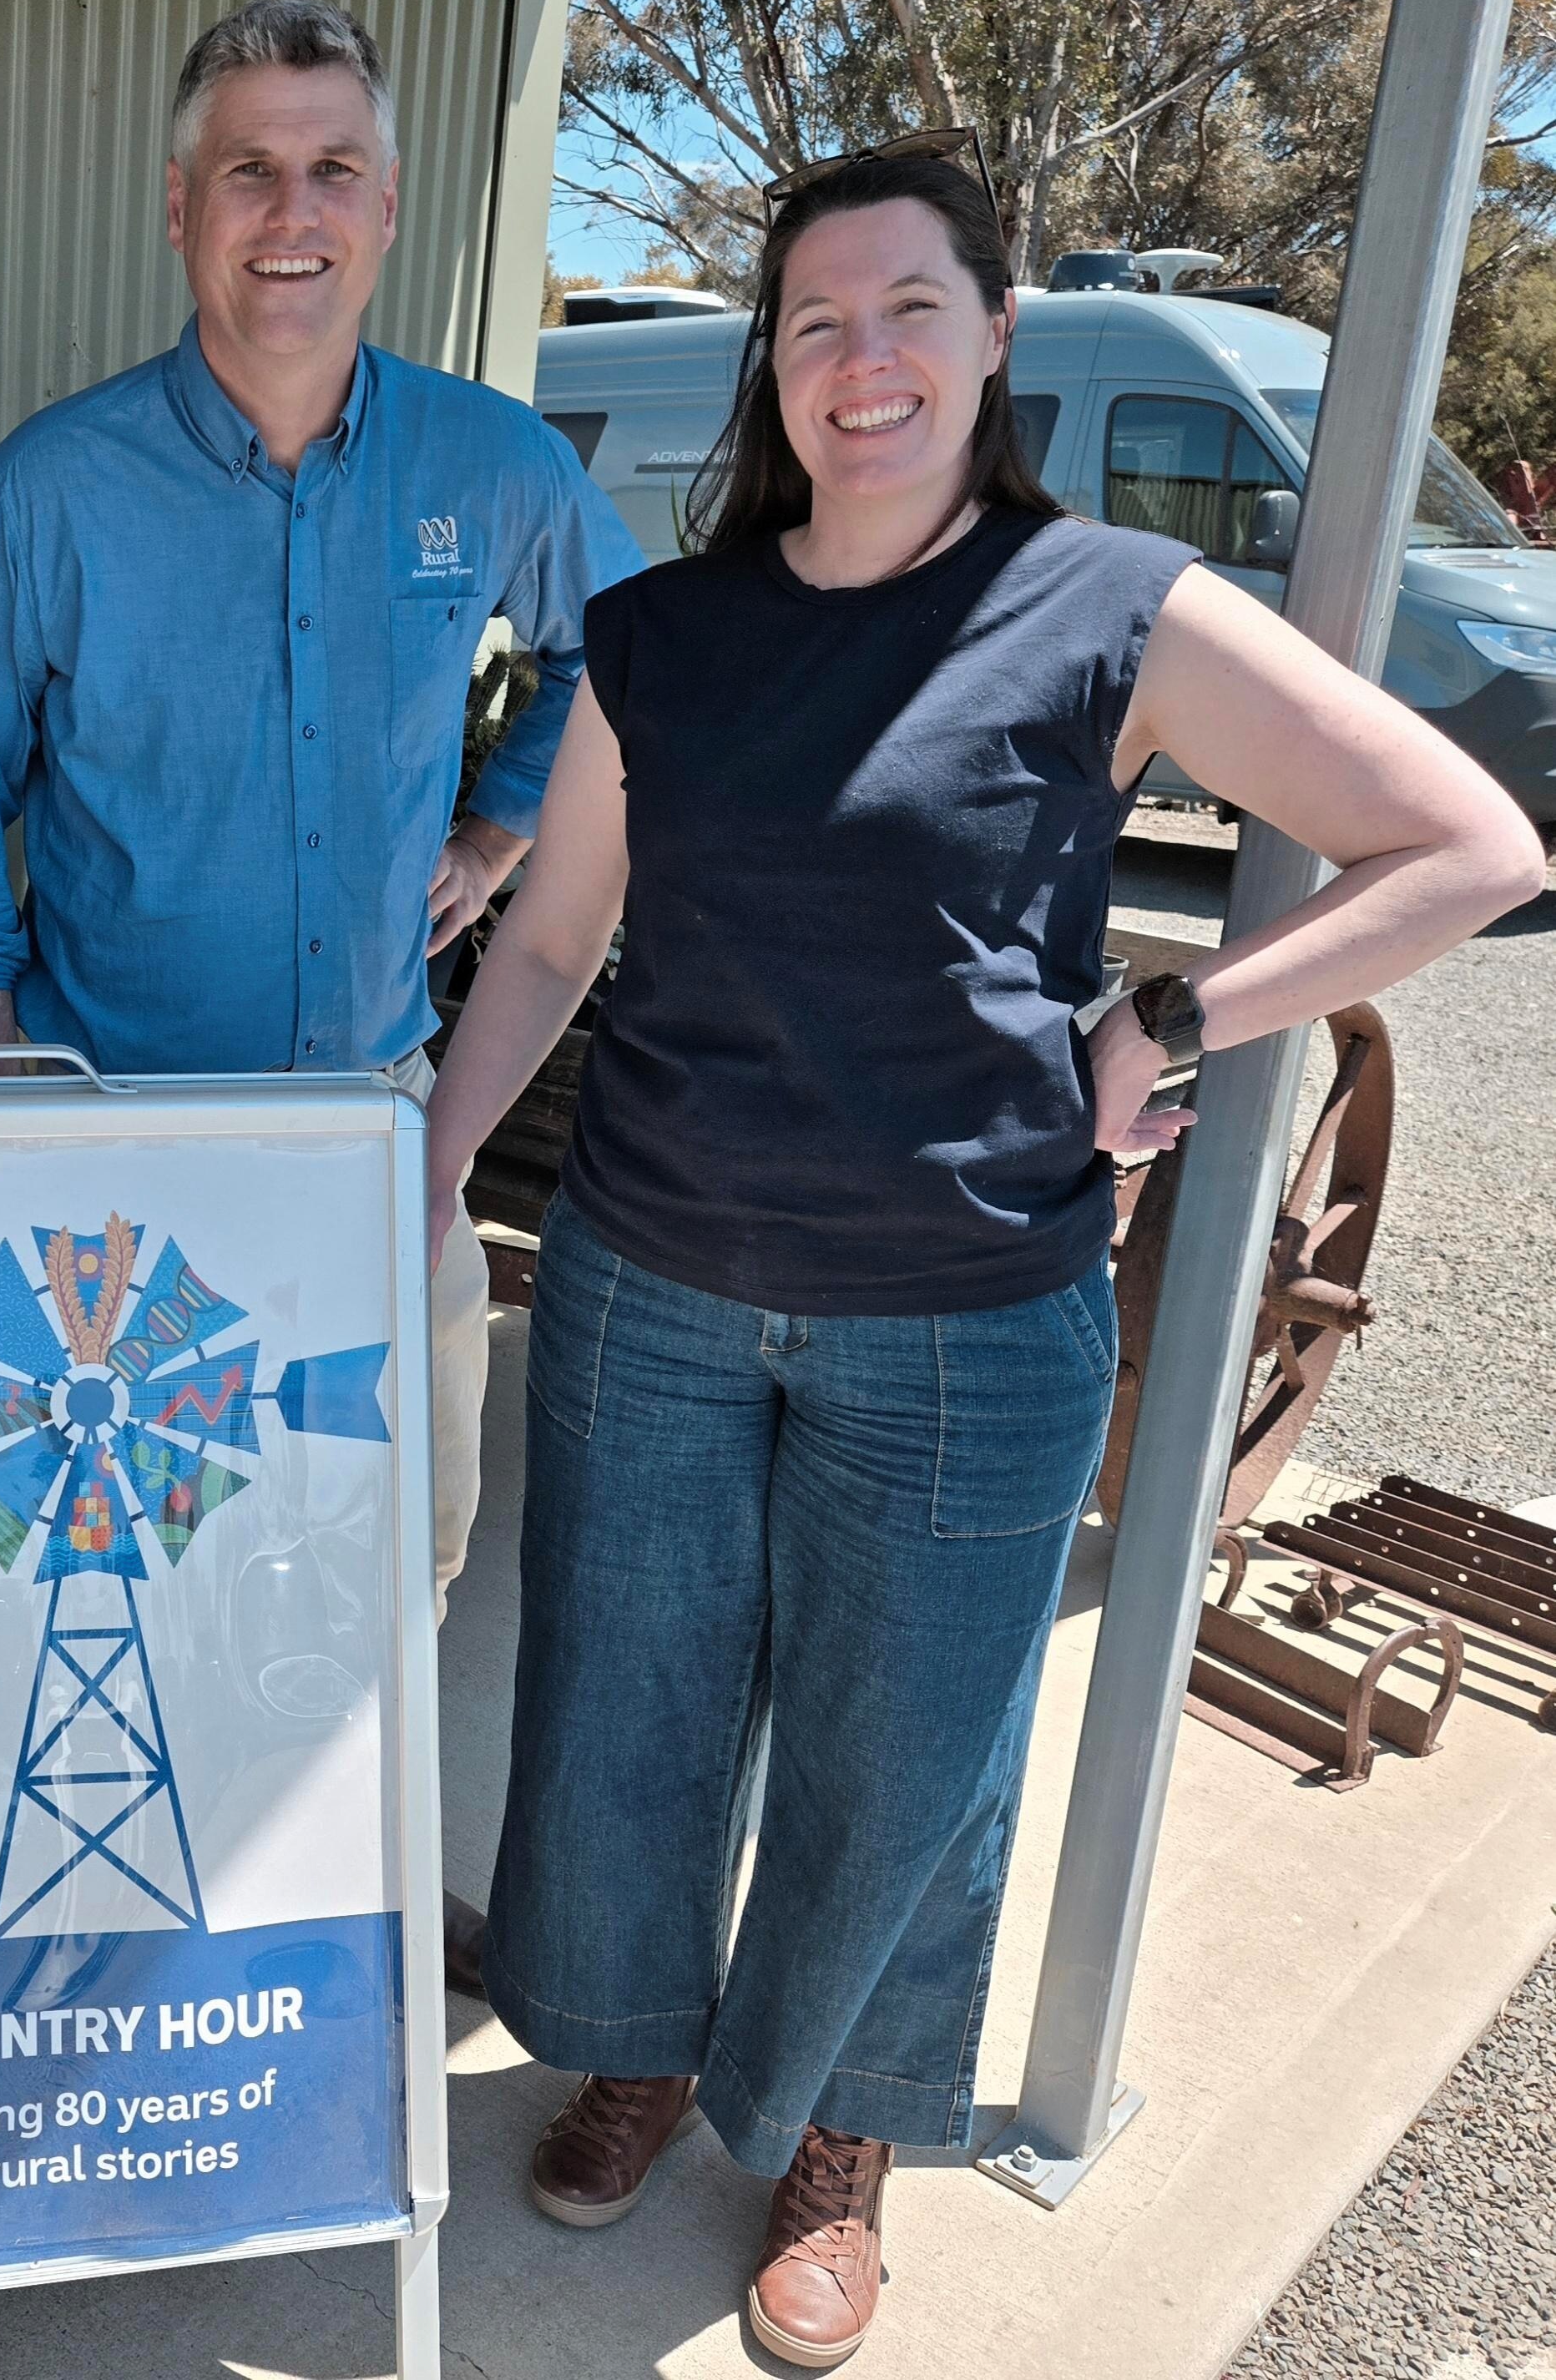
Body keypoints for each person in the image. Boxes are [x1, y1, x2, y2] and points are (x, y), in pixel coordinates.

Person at [425, 141, 1544, 2369]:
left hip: (961, 1313)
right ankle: (636, 2047)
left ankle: (840, 2130)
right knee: (621, 1714)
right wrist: (429, 1175)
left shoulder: (1107, 604)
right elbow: (548, 940)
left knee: (906, 1757)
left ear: (993, 335)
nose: (862, 359)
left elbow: (1465, 841)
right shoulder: (664, 634)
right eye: (816, 319)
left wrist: (1176, 1016)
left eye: (909, 308)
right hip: (646, 1285)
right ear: (771, 360)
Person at [0, 0, 641, 1984]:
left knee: (398, 1544)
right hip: (110, 1136)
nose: (288, 213)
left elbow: (624, 650)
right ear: (180, 209)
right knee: (112, 1567)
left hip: (381, 1122)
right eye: (248, 171)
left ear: (386, 209)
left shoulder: (489, 466)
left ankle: (327, 1901)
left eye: (330, 171)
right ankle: (104, 1946)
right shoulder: (53, 490)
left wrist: (503, 816)